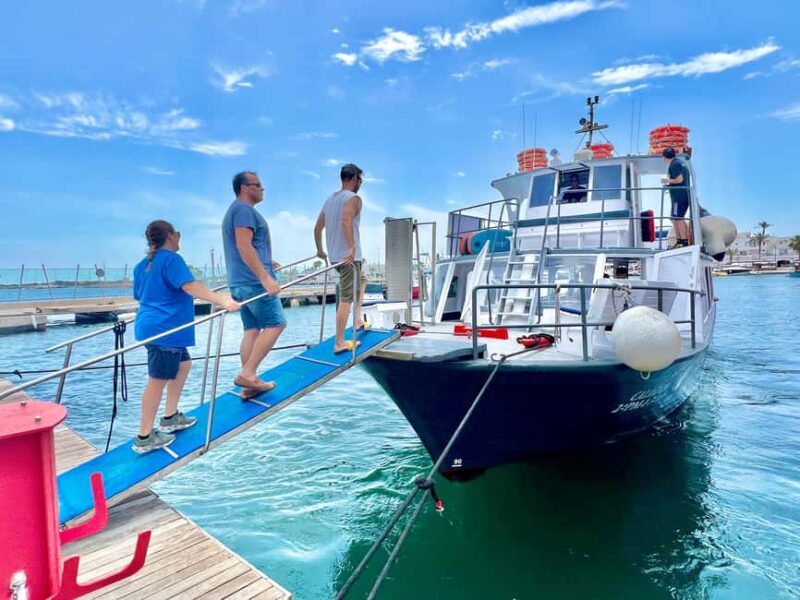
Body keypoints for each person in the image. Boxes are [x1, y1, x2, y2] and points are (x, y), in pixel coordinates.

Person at [133, 220, 240, 453]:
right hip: (164, 330)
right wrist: (223, 300)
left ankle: (170, 417)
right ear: (170, 236)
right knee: (157, 380)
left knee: (184, 364)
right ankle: (144, 436)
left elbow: (141, 295)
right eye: (178, 234)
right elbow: (191, 287)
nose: (179, 238)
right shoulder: (171, 259)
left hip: (155, 327)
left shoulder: (143, 265)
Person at [222, 171, 286, 399]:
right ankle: (248, 373)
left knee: (251, 329)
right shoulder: (243, 210)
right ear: (245, 187)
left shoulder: (235, 210)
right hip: (253, 282)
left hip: (239, 282)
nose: (262, 189)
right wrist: (265, 277)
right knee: (276, 324)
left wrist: (267, 261)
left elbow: (249, 246)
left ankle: (248, 383)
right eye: (258, 185)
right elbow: (244, 245)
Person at [314, 163, 367, 353]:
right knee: (346, 298)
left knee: (362, 281)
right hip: (349, 257)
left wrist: (320, 250)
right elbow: (346, 220)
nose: (361, 183)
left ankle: (358, 319)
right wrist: (352, 248)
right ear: (353, 178)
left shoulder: (330, 200)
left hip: (336, 257)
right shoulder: (353, 199)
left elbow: (318, 227)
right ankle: (339, 342)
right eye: (360, 180)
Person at [661, 147, 692, 247]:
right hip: (682, 195)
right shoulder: (680, 163)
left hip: (679, 197)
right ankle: (679, 241)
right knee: (674, 218)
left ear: (664, 158)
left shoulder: (674, 165)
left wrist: (667, 181)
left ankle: (683, 242)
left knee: (678, 218)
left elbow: (679, 179)